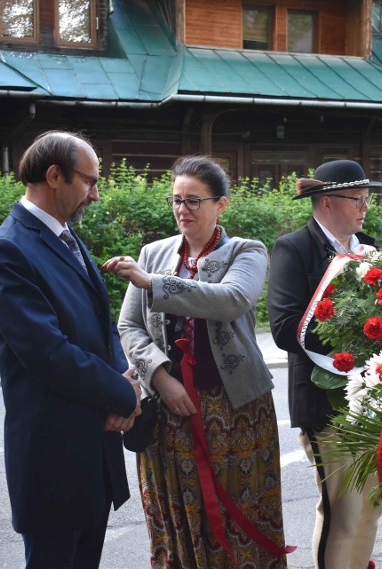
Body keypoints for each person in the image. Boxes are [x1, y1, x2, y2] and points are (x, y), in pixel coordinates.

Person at [101, 155, 289, 568]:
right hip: (170, 410)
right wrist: (161, 377)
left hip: (237, 409)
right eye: (176, 200)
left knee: (242, 509)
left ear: (221, 204)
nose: (182, 210)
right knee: (176, 516)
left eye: (194, 201)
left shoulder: (247, 251)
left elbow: (232, 300)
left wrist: (153, 283)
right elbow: (129, 327)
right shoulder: (152, 253)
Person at [0, 130, 143, 569]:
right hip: (54, 461)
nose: (95, 194)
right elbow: (49, 353)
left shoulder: (63, 234)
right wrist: (124, 394)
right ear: (54, 176)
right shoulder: (8, 249)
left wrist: (124, 380)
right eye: (89, 182)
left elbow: (100, 322)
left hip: (92, 451)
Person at [267, 159, 382, 569]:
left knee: (371, 506)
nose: (365, 207)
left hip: (371, 398)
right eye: (358, 199)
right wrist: (360, 332)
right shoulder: (294, 247)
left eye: (367, 199)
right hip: (324, 401)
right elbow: (284, 326)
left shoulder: (372, 248)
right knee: (343, 511)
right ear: (328, 202)